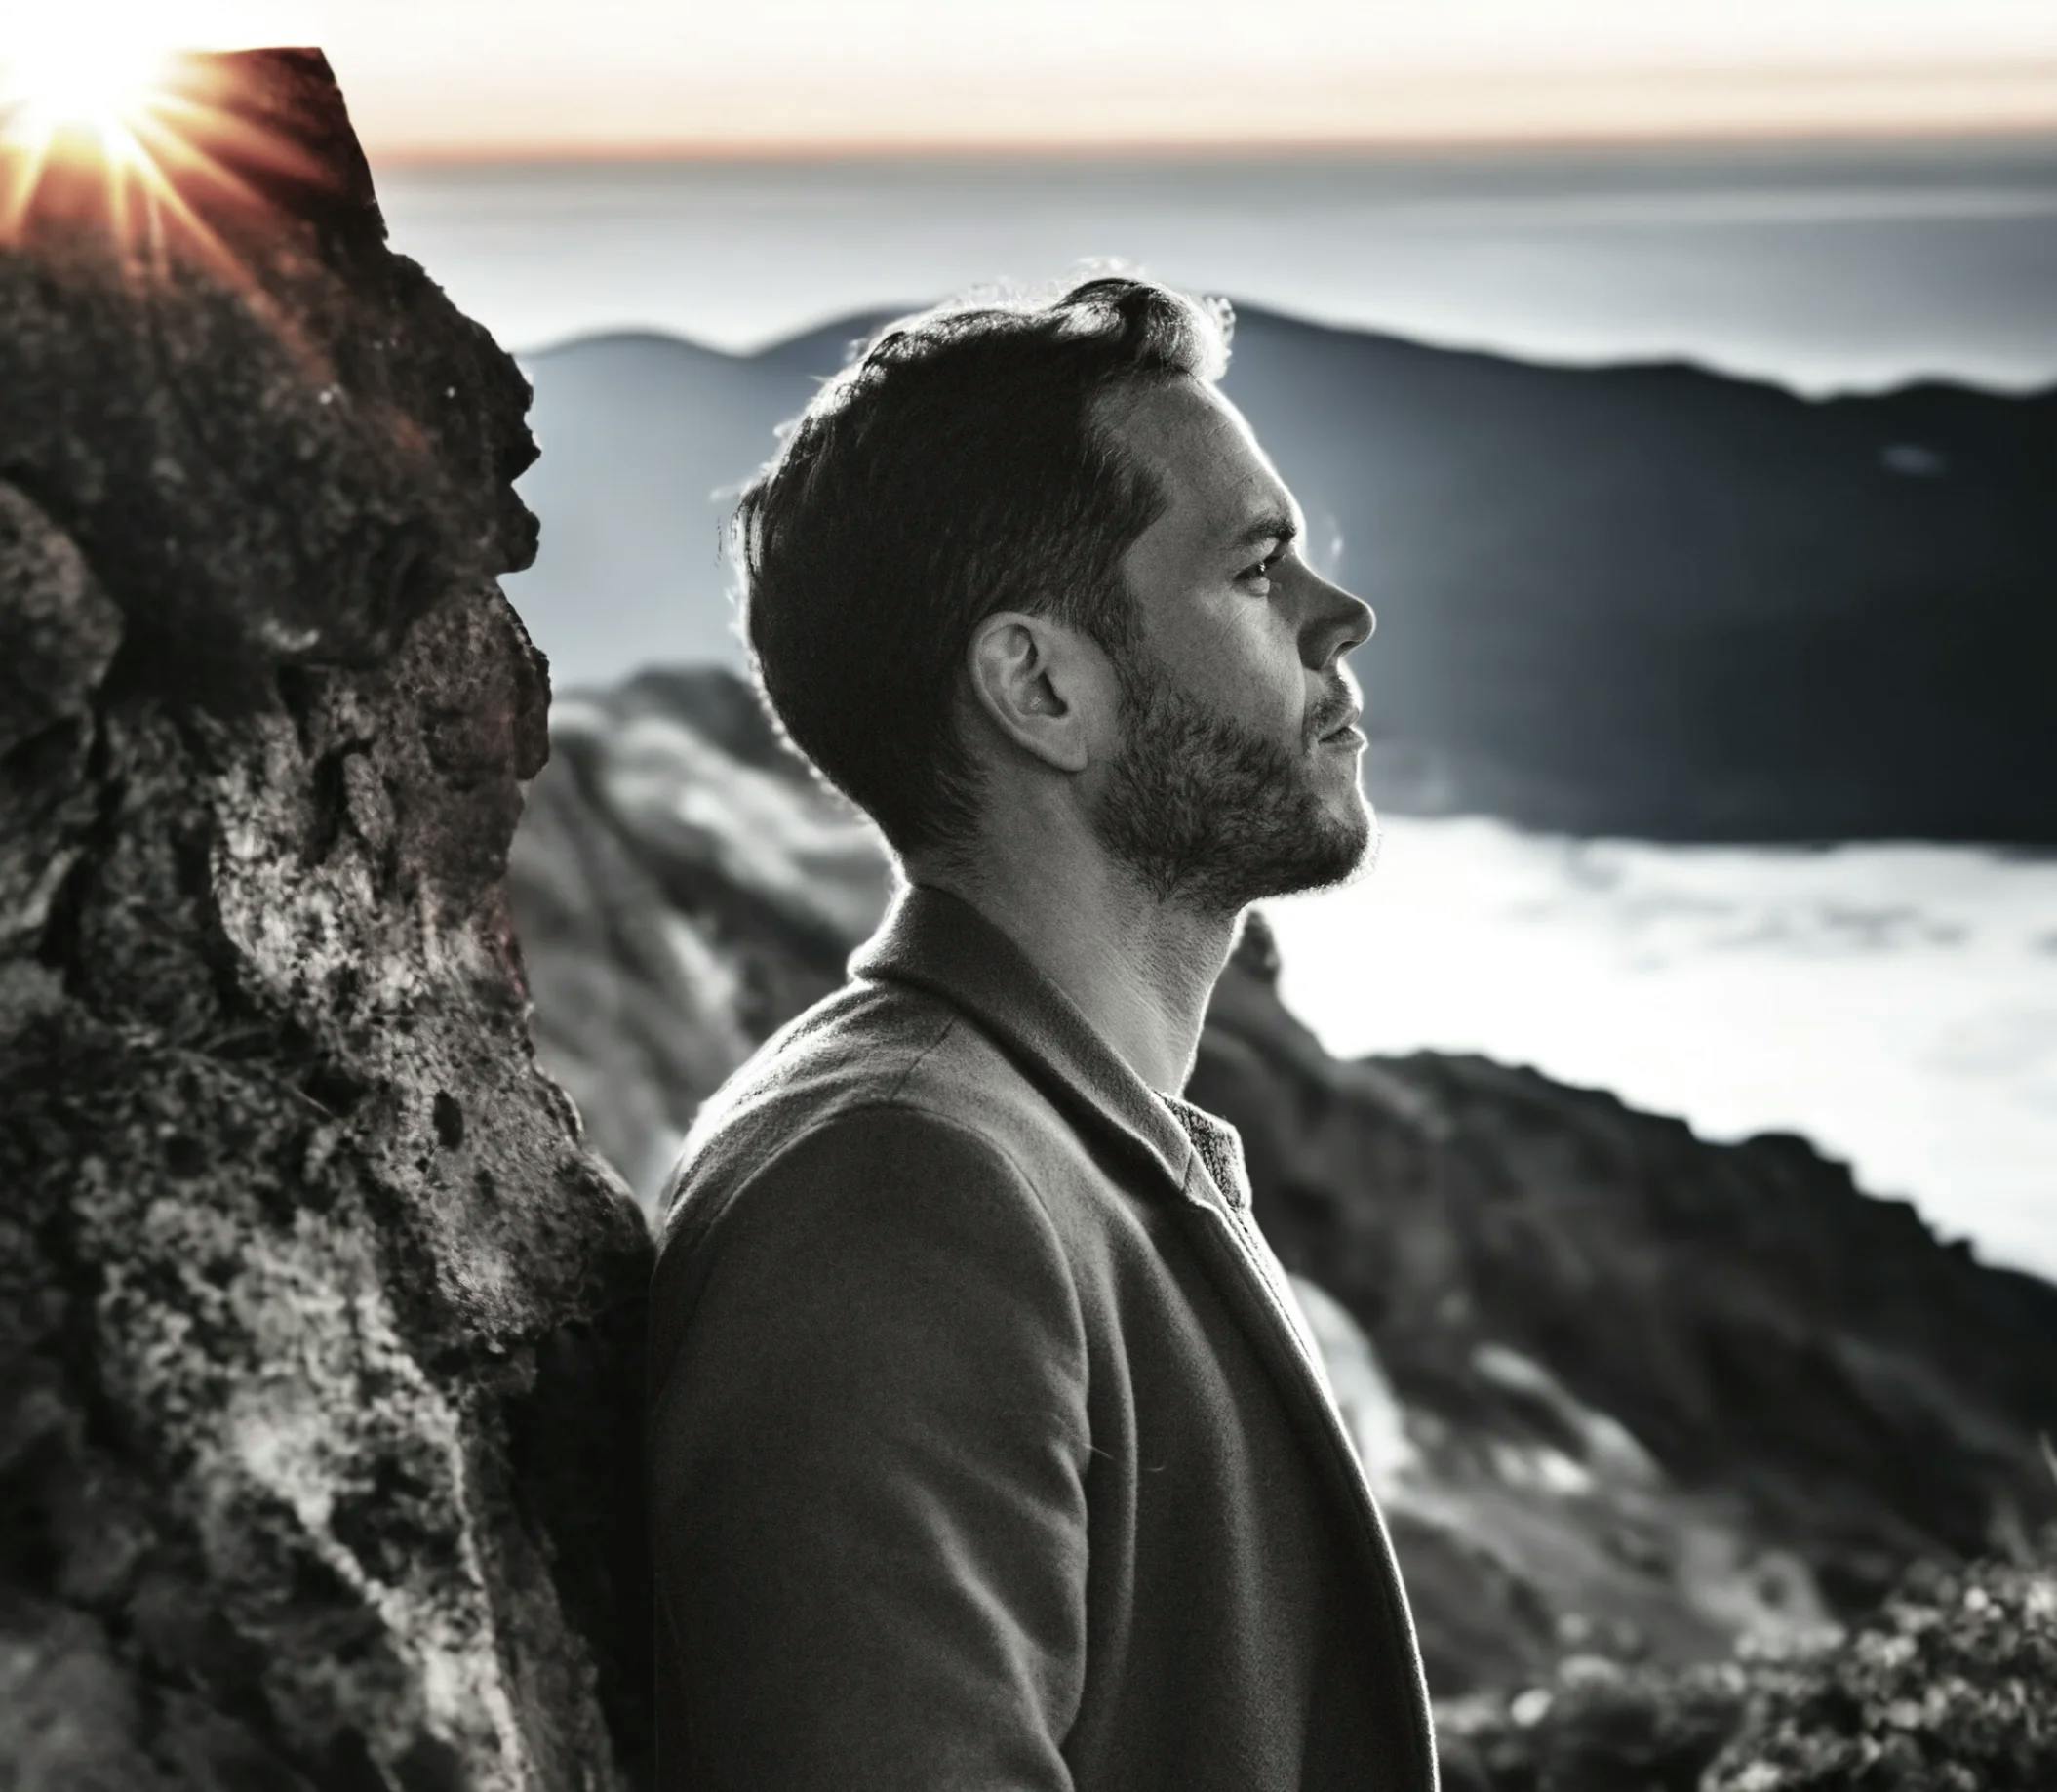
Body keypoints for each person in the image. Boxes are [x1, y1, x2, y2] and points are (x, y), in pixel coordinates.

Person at [646, 274, 1438, 1790]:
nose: (1340, 618)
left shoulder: (1026, 1141)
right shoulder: (900, 1195)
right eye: (1257, 568)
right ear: (1040, 685)